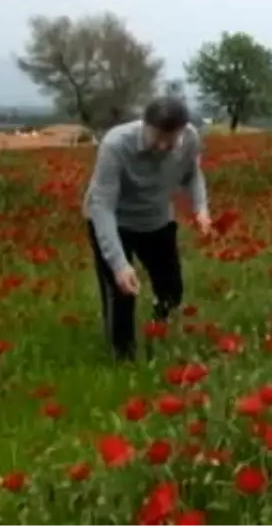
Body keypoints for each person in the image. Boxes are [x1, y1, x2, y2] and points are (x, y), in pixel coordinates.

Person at [83, 97, 212, 361]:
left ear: (182, 131)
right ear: (145, 125)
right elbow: (102, 206)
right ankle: (124, 359)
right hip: (115, 222)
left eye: (171, 139)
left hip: (157, 220)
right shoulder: (116, 145)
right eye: (157, 138)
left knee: (171, 290)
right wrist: (119, 264)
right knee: (122, 294)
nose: (163, 146)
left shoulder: (190, 139)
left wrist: (200, 206)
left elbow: (192, 174)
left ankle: (159, 329)